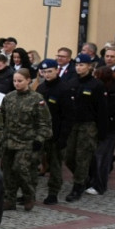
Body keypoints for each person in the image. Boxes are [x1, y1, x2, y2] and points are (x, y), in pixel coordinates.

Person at [0, 69, 52, 211]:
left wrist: (39, 139)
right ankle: (9, 199)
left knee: (21, 168)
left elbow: (45, 122)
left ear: (28, 80)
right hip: (9, 141)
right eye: (15, 81)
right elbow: (2, 118)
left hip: (27, 142)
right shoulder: (9, 97)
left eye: (20, 81)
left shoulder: (36, 99)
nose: (16, 83)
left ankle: (29, 195)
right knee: (8, 171)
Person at [63, 54, 108, 202]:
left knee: (82, 157)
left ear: (89, 66)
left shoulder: (96, 85)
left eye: (82, 65)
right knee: (69, 157)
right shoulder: (71, 82)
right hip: (73, 124)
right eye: (77, 65)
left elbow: (102, 110)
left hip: (88, 125)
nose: (79, 67)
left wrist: (101, 132)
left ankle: (78, 187)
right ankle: (85, 177)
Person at [35, 58, 73, 205]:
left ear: (57, 70)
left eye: (50, 71)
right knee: (33, 162)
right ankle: (29, 192)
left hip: (56, 133)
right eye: (44, 72)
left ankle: (53, 192)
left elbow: (68, 116)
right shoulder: (41, 88)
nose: (47, 74)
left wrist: (63, 137)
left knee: (55, 165)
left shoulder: (64, 89)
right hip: (41, 133)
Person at [88, 66, 115, 195]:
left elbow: (110, 111)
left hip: (108, 129)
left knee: (101, 157)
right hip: (102, 127)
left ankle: (100, 185)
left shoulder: (112, 90)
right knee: (97, 156)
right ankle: (94, 182)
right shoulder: (105, 89)